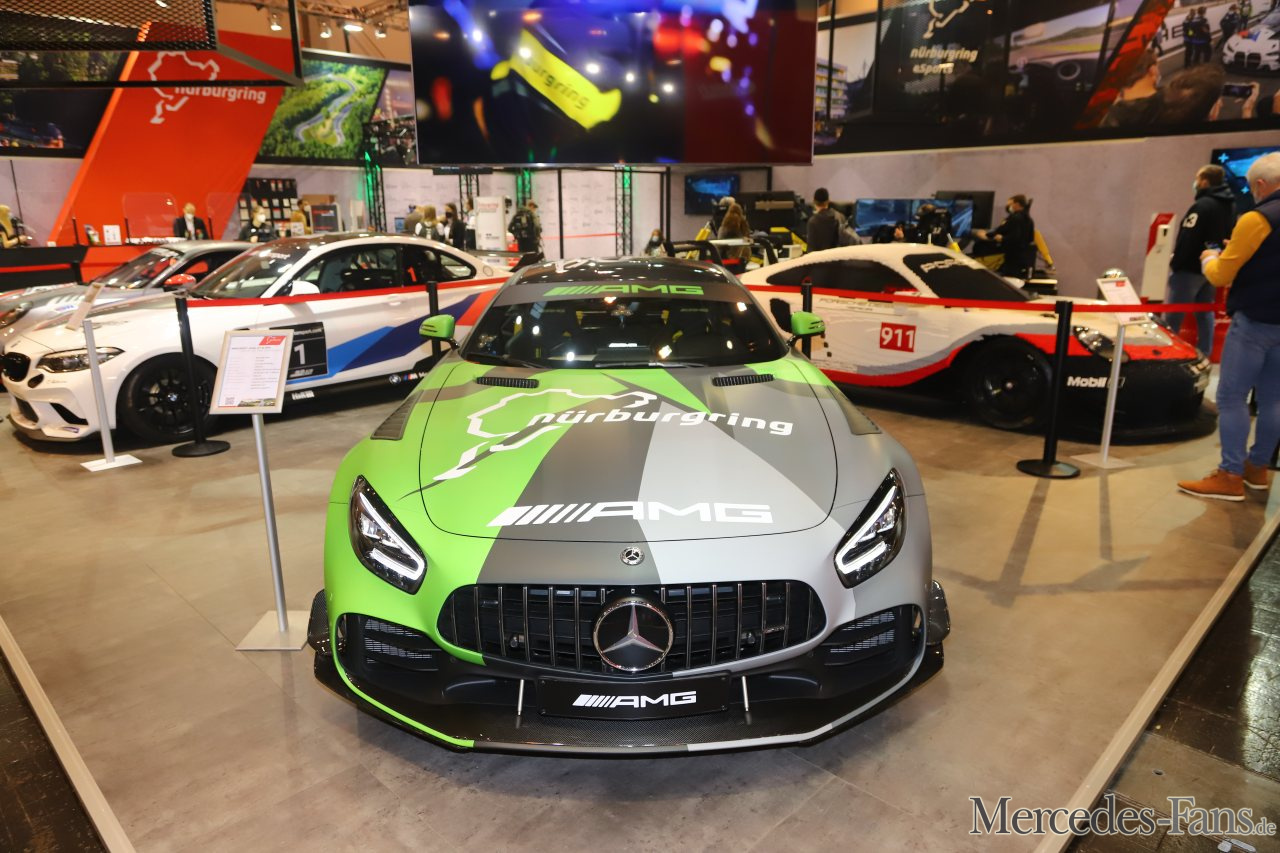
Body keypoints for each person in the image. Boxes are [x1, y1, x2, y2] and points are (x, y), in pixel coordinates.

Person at [1178, 152, 1280, 501]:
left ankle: (1230, 474)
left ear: (1261, 184)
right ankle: (1258, 468)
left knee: (1231, 396)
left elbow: (1221, 275)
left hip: (1255, 320)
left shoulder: (1258, 218)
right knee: (1273, 400)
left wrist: (1209, 258)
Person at [1164, 165, 1235, 355]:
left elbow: (1188, 237)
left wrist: (1177, 263)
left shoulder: (1202, 205)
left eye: (1197, 179)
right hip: (1210, 267)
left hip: (1189, 269)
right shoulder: (1229, 206)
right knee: (1205, 312)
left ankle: (1167, 353)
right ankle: (1204, 352)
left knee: (1174, 315)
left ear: (1204, 181)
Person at [974, 195, 1036, 278]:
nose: (1008, 207)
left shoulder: (1014, 218)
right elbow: (1030, 238)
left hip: (1012, 256)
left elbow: (1004, 231)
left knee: (1009, 278)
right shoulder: (1029, 220)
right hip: (1022, 257)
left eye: (1010, 204)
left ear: (1017, 204)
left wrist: (997, 237)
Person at [805, 187, 845, 253]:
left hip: (820, 258)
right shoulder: (840, 217)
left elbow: (811, 248)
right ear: (828, 201)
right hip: (837, 257)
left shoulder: (813, 222)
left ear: (814, 201)